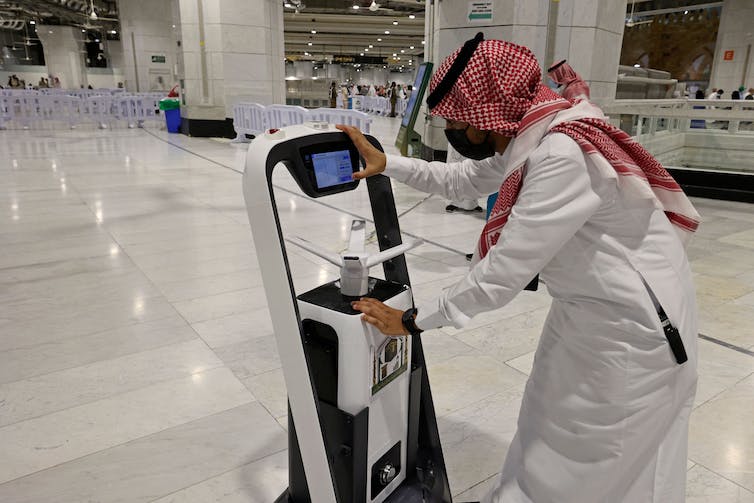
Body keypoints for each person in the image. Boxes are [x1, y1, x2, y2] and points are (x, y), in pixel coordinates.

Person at [338, 33, 699, 503]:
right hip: (594, 310)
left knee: (593, 450)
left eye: (458, 120)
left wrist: (413, 320)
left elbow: (502, 274)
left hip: (631, 330)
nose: (455, 130)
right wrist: (389, 164)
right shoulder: (538, 133)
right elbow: (465, 179)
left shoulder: (560, 154)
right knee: (550, 423)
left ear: (485, 112)